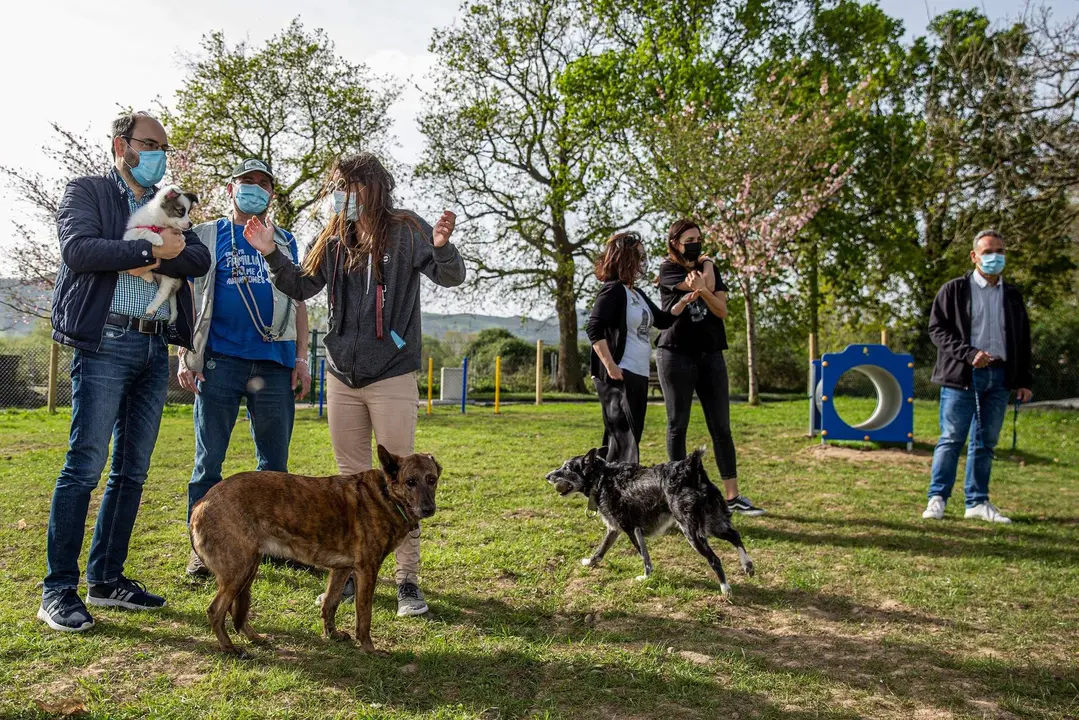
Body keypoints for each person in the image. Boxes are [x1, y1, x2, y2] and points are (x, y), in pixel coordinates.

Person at [242, 152, 465, 616]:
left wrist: (442, 245)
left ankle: (407, 582)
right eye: (335, 187)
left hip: (392, 374)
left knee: (404, 481)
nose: (339, 195)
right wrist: (270, 252)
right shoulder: (333, 235)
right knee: (350, 485)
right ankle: (346, 576)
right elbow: (302, 287)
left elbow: (451, 276)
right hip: (342, 375)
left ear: (372, 187)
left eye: (348, 186)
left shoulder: (407, 228)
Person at [40, 111, 211, 632]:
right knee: (85, 466)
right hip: (105, 341)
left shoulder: (171, 202)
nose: (159, 152)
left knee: (132, 472)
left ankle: (107, 579)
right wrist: (152, 248)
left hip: (154, 346)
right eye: (150, 143)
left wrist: (152, 259)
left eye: (164, 145)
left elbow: (198, 258)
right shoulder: (88, 191)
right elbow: (81, 250)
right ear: (122, 144)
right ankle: (58, 590)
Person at [178, 159, 311, 577]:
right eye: (246, 182)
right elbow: (185, 296)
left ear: (271, 195)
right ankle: (202, 550)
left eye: (263, 184)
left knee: (274, 463)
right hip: (220, 361)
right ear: (230, 189)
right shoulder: (206, 235)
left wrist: (303, 357)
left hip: (274, 362)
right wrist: (188, 354)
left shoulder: (286, 240)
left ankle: (273, 544)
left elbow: (300, 301)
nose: (255, 189)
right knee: (209, 461)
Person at [655, 219, 766, 516]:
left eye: (700, 238)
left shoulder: (709, 269)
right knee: (677, 424)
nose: (696, 242)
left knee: (722, 428)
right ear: (675, 242)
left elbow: (722, 309)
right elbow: (697, 285)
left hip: (711, 355)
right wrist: (707, 273)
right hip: (675, 354)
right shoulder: (668, 269)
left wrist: (705, 284)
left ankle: (733, 498)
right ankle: (678, 497)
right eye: (690, 238)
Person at [922, 229, 1033, 523]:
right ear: (974, 256)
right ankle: (937, 499)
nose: (994, 257)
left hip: (999, 378)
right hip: (962, 376)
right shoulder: (954, 290)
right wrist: (969, 353)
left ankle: (977, 502)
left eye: (1000, 251)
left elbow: (1023, 338)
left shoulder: (1012, 295)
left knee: (985, 443)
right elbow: (937, 331)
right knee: (951, 438)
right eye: (987, 252)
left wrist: (1024, 380)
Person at [587, 231, 696, 464]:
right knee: (622, 442)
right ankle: (611, 495)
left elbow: (663, 320)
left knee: (630, 440)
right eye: (638, 256)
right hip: (620, 374)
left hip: (639, 373)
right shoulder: (612, 290)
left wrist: (683, 302)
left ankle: (610, 495)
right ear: (625, 258)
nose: (642, 261)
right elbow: (594, 329)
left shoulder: (636, 293)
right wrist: (610, 366)